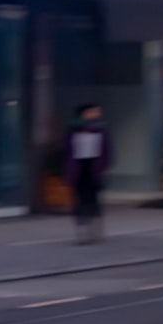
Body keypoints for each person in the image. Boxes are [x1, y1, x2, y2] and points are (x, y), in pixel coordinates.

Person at [64, 103, 113, 244]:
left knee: (94, 201)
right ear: (84, 114)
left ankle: (96, 232)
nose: (96, 114)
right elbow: (67, 151)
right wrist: (68, 169)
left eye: (97, 112)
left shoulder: (101, 129)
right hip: (78, 171)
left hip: (94, 171)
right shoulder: (73, 129)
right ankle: (82, 234)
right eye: (93, 112)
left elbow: (107, 151)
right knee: (79, 202)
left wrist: (103, 167)